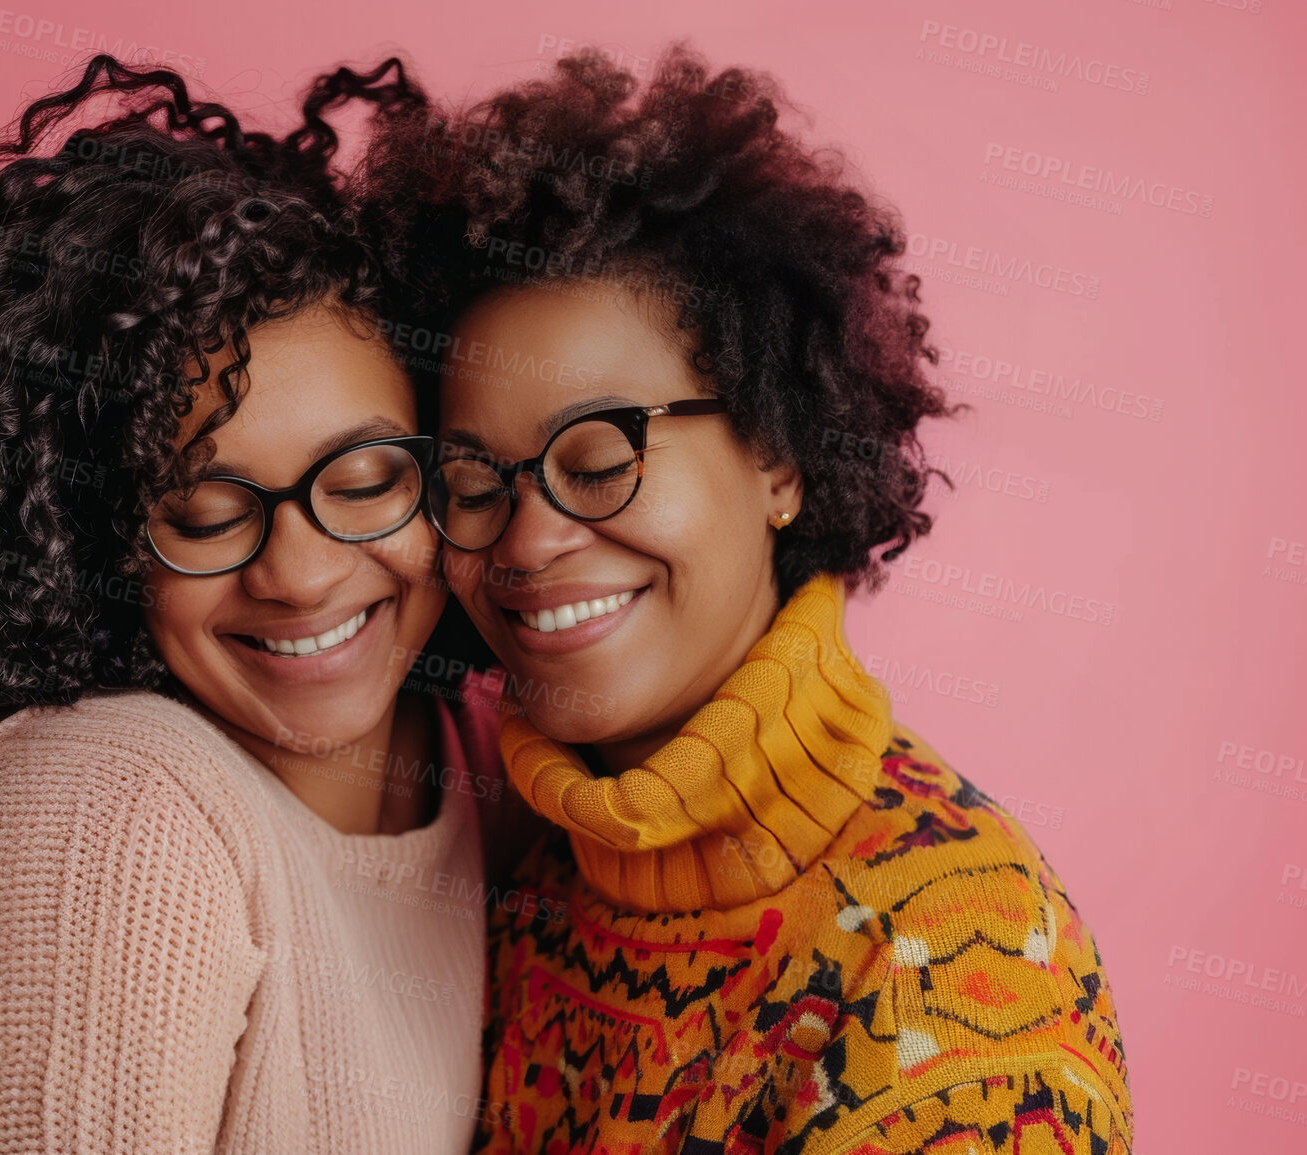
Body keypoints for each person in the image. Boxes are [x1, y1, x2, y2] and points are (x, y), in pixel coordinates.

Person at [358, 45, 1134, 1154]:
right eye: (476, 484)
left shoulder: (961, 950)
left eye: (598, 456)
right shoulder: (531, 874)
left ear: (777, 454)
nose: (526, 539)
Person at [0, 55, 500, 1154]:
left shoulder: (475, 761)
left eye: (366, 481)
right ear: (87, 543)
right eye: (201, 512)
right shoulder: (107, 809)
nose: (298, 572)